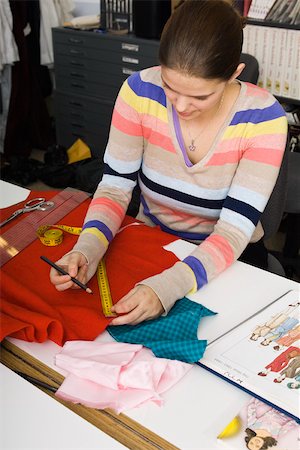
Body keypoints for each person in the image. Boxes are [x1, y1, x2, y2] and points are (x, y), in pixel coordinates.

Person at [49, 0, 288, 326]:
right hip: (154, 238)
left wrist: (169, 287)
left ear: (234, 74)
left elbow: (233, 231)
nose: (181, 107)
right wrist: (87, 248)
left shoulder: (264, 119)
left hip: (228, 254)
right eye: (171, 88)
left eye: (200, 97)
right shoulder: (139, 91)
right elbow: (116, 188)